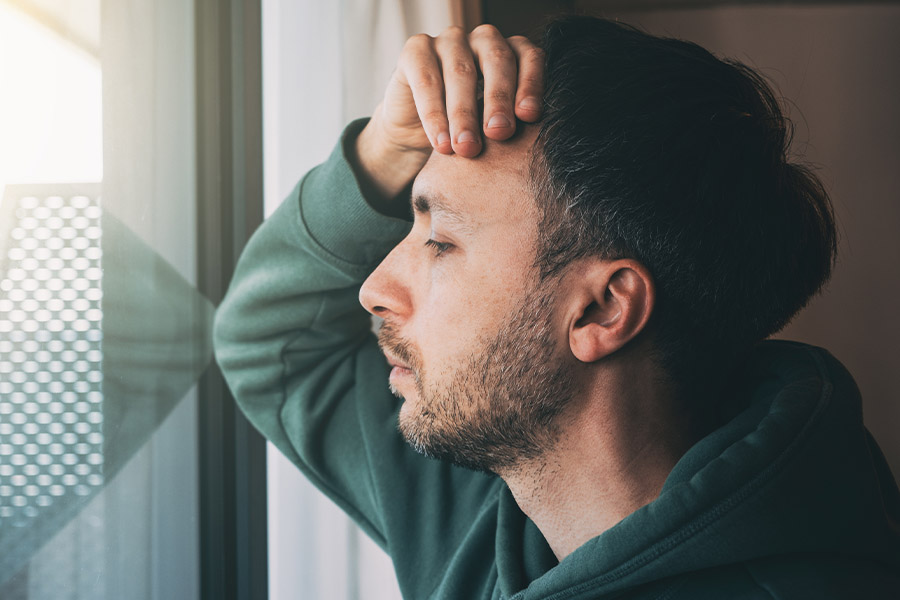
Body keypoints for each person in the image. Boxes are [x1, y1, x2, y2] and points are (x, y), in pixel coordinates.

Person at [213, 16, 900, 599]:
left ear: (601, 310)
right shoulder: (487, 507)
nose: (374, 288)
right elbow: (276, 342)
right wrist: (384, 153)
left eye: (442, 242)